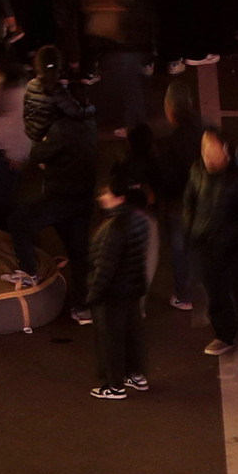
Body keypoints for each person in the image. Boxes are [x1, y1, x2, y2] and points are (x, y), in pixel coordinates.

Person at [182, 127, 238, 360]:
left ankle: (227, 335)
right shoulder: (197, 170)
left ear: (226, 150)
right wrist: (190, 228)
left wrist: (229, 238)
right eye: (204, 149)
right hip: (203, 243)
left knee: (226, 290)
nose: (206, 155)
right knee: (214, 288)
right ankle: (228, 328)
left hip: (230, 248)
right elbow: (189, 201)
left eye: (211, 150)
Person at [87, 168, 155, 399]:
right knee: (132, 335)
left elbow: (105, 268)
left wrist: (93, 296)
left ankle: (114, 386)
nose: (101, 197)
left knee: (112, 340)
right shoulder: (140, 220)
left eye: (107, 194)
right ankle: (136, 375)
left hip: (112, 294)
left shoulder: (112, 229)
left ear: (120, 198)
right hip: (133, 289)